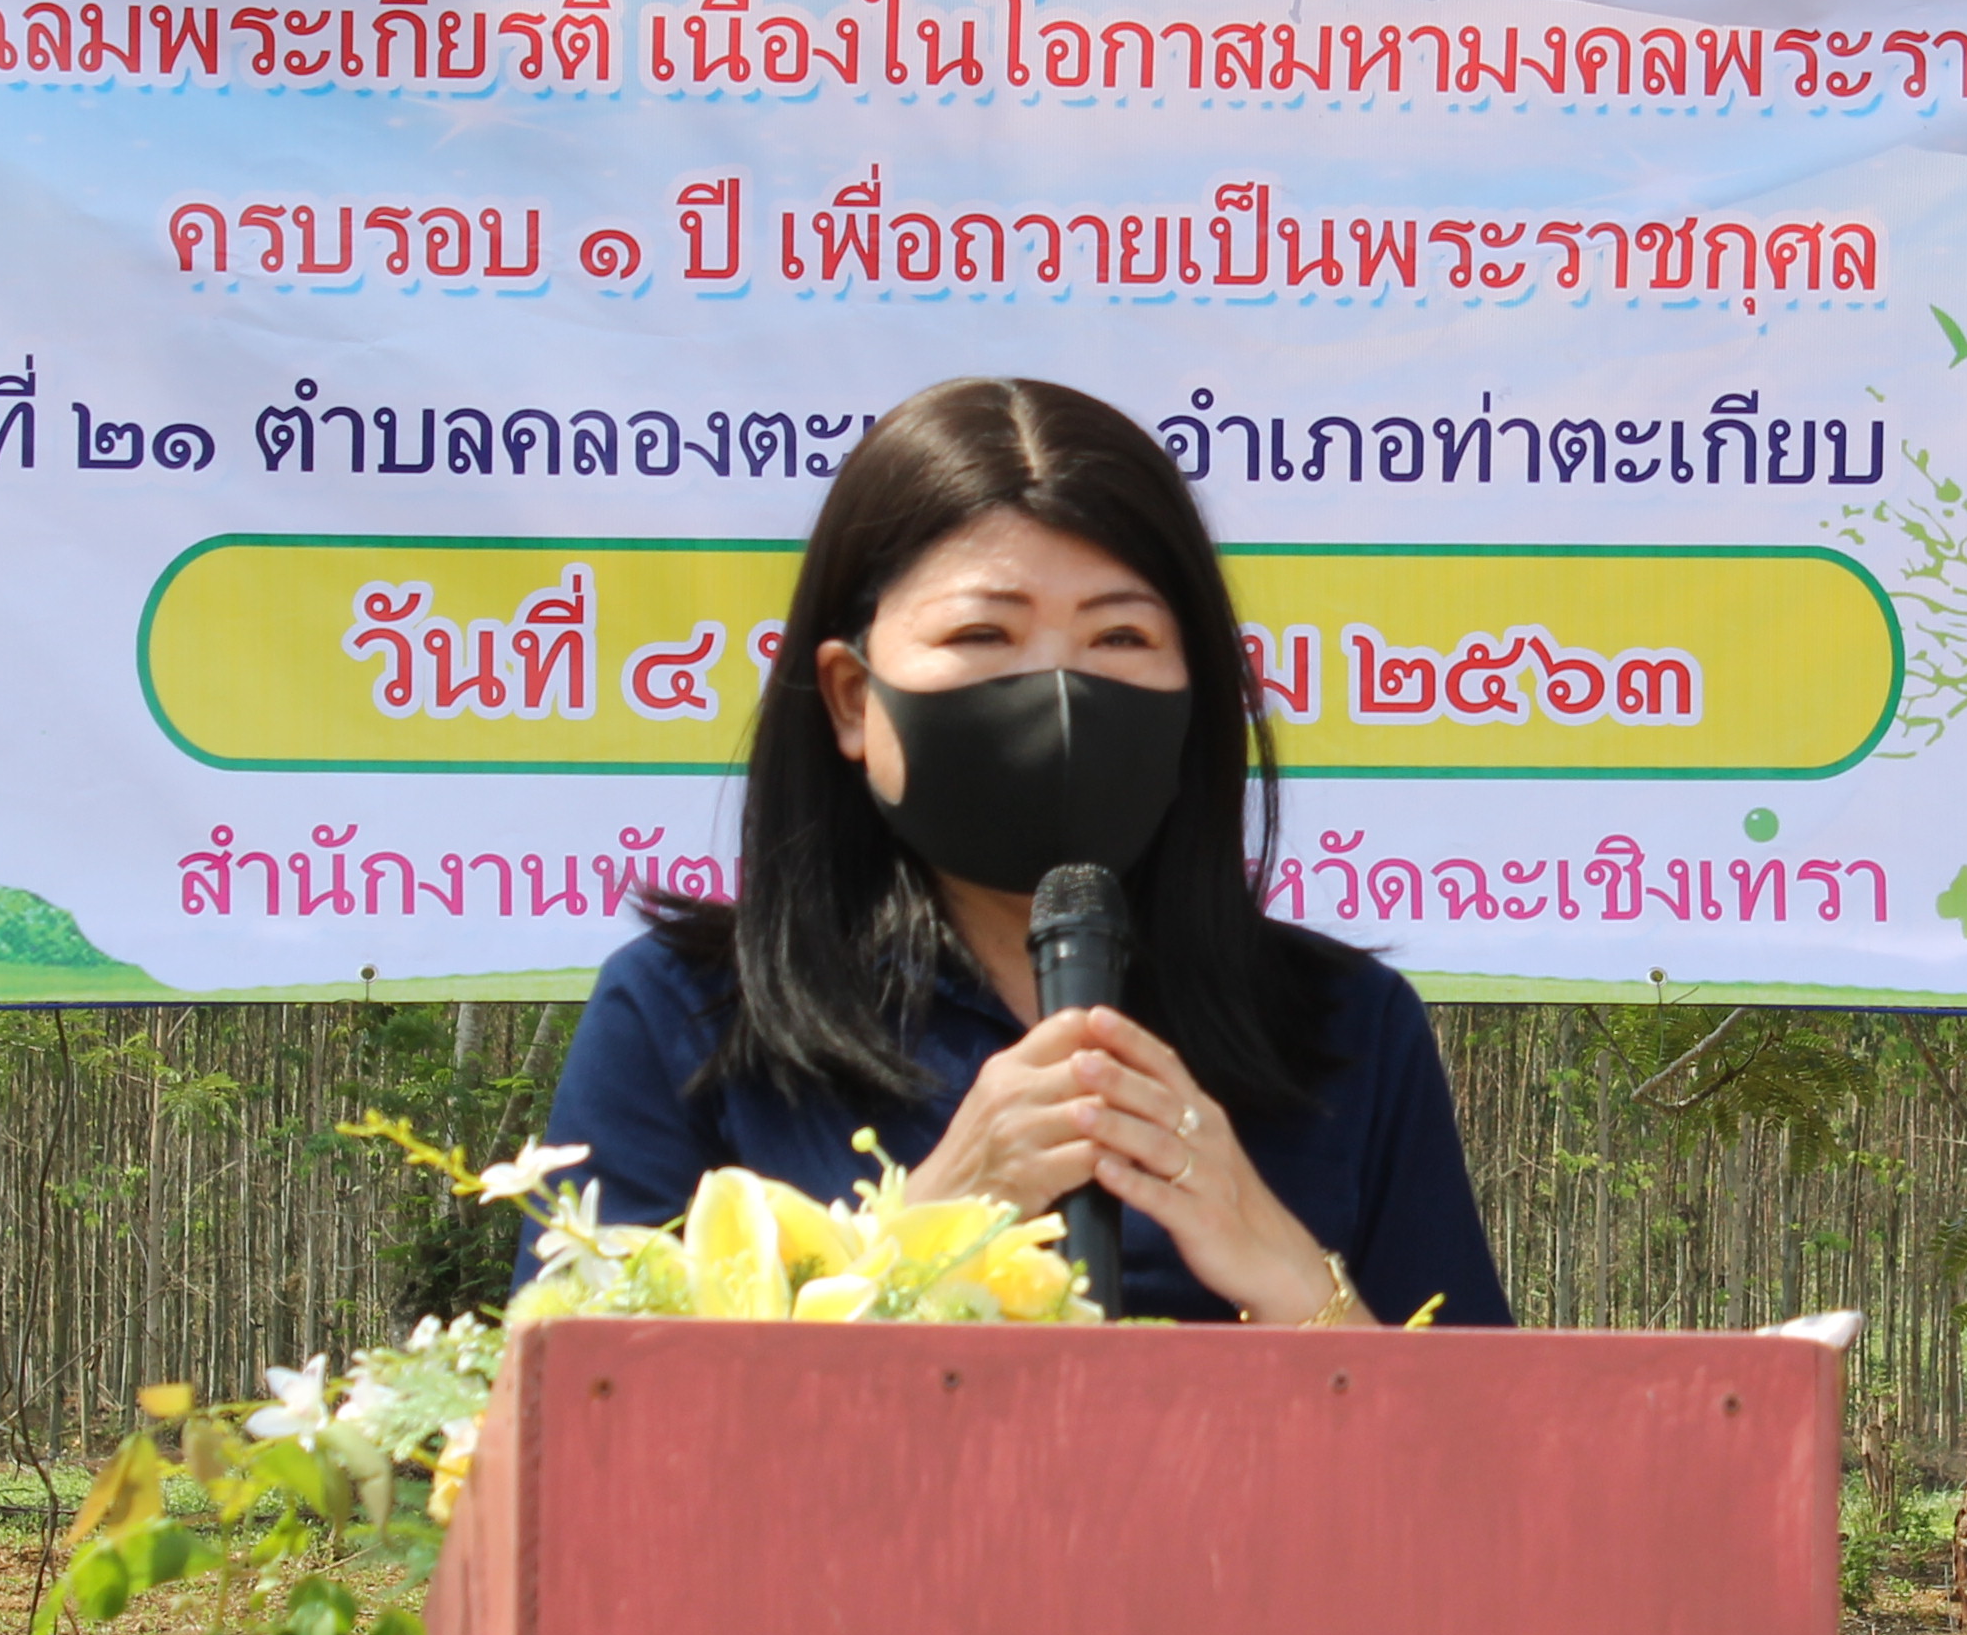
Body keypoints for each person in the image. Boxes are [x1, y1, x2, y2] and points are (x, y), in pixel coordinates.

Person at [545, 375, 1511, 1330]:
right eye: (983, 633)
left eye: (1120, 636)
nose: (1058, 692)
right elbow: (582, 1436)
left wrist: (1288, 1269)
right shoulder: (682, 1019)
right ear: (851, 697)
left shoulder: (1349, 1030)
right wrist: (932, 1227)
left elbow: (1484, 1466)